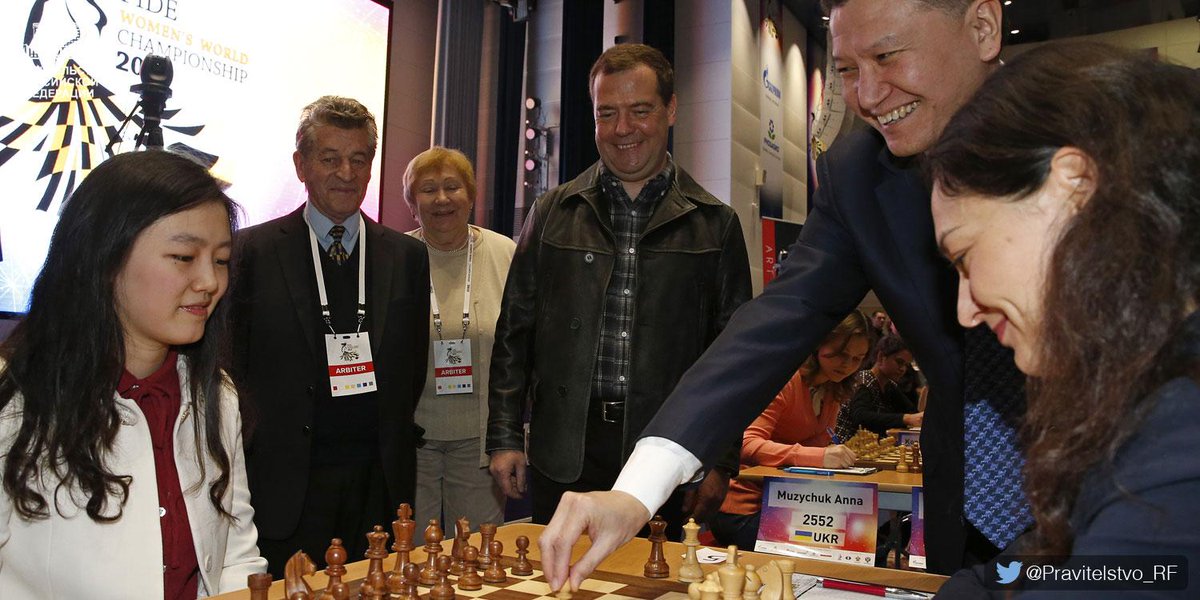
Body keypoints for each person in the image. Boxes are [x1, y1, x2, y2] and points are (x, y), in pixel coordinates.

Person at [538, 0, 1027, 589]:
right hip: (963, 500)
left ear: (982, 27)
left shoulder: (1102, 132)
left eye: (887, 56)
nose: (868, 95)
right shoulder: (857, 172)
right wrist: (636, 493)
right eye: (847, 70)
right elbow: (773, 323)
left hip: (1101, 487)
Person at [926, 41, 1200, 595]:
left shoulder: (1179, 442)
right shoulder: (1151, 398)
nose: (965, 310)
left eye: (965, 257)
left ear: (1073, 187)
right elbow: (1047, 566)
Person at [486, 43, 752, 538]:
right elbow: (513, 335)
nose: (622, 128)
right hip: (564, 449)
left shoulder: (716, 225)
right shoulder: (551, 213)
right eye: (606, 113)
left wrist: (720, 460)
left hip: (668, 453)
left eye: (640, 110)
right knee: (558, 574)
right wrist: (503, 436)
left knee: (650, 576)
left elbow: (733, 358)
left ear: (671, 110)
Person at [0, 150, 267, 597]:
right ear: (105, 260)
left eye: (221, 260)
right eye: (184, 256)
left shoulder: (215, 395)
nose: (209, 282)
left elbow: (235, 556)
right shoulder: (15, 399)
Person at [229, 96, 429, 577]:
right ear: (301, 165)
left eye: (358, 159)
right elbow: (233, 368)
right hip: (285, 483)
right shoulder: (250, 252)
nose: (346, 173)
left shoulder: (406, 256)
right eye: (330, 158)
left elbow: (411, 367)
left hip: (377, 482)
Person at [403, 147, 516, 537]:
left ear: (471, 195)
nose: (442, 199)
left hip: (481, 441)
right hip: (411, 439)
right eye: (428, 189)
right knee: (412, 551)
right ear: (412, 204)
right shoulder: (396, 256)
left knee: (475, 550)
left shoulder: (505, 254)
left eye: (452, 186)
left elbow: (523, 345)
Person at [710, 312, 870, 550]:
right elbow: (747, 443)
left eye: (858, 358)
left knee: (861, 539)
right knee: (841, 548)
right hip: (743, 509)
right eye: (840, 353)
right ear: (817, 344)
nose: (848, 365)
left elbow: (817, 447)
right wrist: (819, 456)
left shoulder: (832, 388)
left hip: (789, 502)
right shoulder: (784, 379)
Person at [836, 335, 923, 440]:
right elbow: (860, 417)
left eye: (906, 365)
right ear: (881, 357)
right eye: (899, 362)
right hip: (847, 444)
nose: (903, 369)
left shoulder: (890, 386)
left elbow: (912, 411)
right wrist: (906, 418)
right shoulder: (863, 381)